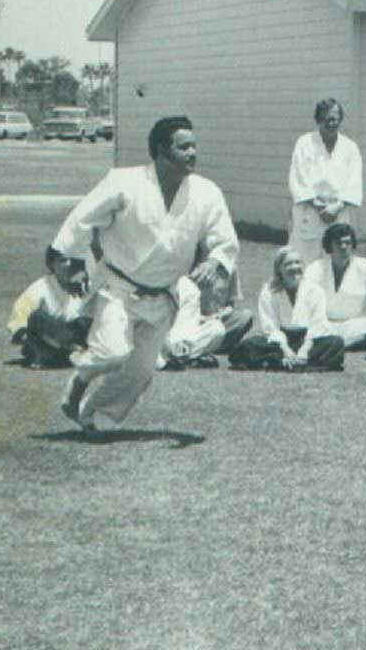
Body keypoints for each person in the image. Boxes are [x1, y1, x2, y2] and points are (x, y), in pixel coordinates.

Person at [54, 116, 239, 431]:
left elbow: (224, 240)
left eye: (194, 146)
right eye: (184, 147)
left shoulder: (207, 193)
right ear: (160, 152)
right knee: (112, 352)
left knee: (140, 371)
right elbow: (82, 219)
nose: (193, 152)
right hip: (118, 286)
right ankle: (81, 377)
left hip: (163, 295)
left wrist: (214, 262)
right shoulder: (124, 182)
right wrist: (65, 261)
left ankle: (98, 417)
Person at [229, 246, 345, 371]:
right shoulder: (268, 291)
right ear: (279, 269)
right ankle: (298, 363)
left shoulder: (315, 290)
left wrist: (305, 349)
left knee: (336, 343)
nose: (294, 267)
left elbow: (318, 323)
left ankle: (282, 362)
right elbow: (270, 326)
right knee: (247, 346)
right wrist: (285, 350)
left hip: (308, 340)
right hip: (280, 341)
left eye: (297, 262)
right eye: (288, 264)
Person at [287, 97, 362, 265]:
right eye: (325, 119)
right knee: (304, 264)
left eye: (334, 119)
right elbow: (298, 180)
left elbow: (353, 183)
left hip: (338, 213)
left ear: (340, 120)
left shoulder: (350, 148)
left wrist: (336, 208)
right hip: (310, 212)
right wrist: (320, 208)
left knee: (337, 265)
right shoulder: (304, 143)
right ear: (318, 120)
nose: (330, 123)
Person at [7, 247, 93, 368]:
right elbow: (20, 320)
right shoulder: (41, 287)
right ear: (52, 264)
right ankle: (69, 351)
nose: (69, 264)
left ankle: (77, 352)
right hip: (49, 342)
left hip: (76, 336)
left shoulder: (85, 284)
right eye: (63, 260)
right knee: (36, 317)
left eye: (73, 260)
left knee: (87, 320)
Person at [301, 222, 366, 349]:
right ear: (330, 246)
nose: (344, 247)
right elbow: (305, 300)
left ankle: (339, 344)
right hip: (323, 323)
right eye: (338, 243)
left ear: (353, 245)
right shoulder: (315, 268)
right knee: (306, 329)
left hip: (353, 325)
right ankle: (344, 343)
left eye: (348, 243)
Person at [159, 267, 253, 370]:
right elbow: (185, 304)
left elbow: (231, 304)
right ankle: (194, 348)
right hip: (193, 321)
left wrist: (224, 313)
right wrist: (202, 318)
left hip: (218, 319)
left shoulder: (230, 268)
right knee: (213, 330)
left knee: (245, 316)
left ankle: (198, 346)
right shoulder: (192, 263)